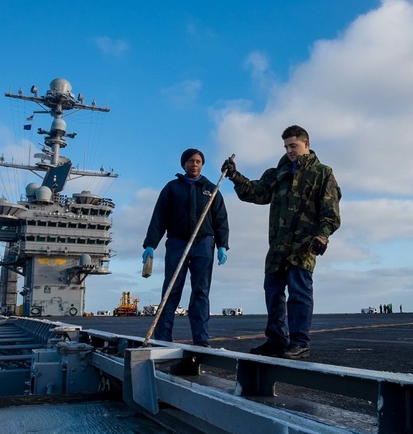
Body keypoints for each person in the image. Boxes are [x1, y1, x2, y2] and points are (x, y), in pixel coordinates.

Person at [221, 125, 341, 359]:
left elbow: (330, 211)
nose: (289, 151)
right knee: (273, 291)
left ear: (306, 144)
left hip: (304, 245)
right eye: (286, 146)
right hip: (277, 245)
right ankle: (277, 339)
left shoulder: (322, 174)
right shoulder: (278, 173)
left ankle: (299, 343)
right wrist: (235, 176)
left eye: (293, 146)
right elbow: (256, 192)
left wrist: (322, 235)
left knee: (299, 292)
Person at [142, 148, 230, 346]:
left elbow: (221, 219)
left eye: (198, 161)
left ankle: (201, 339)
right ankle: (163, 339)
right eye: (191, 161)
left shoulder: (211, 189)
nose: (195, 164)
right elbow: (159, 218)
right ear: (184, 164)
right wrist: (150, 244)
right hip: (177, 243)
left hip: (204, 243)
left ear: (202, 164)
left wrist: (223, 245)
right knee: (171, 290)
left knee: (201, 291)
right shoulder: (172, 188)